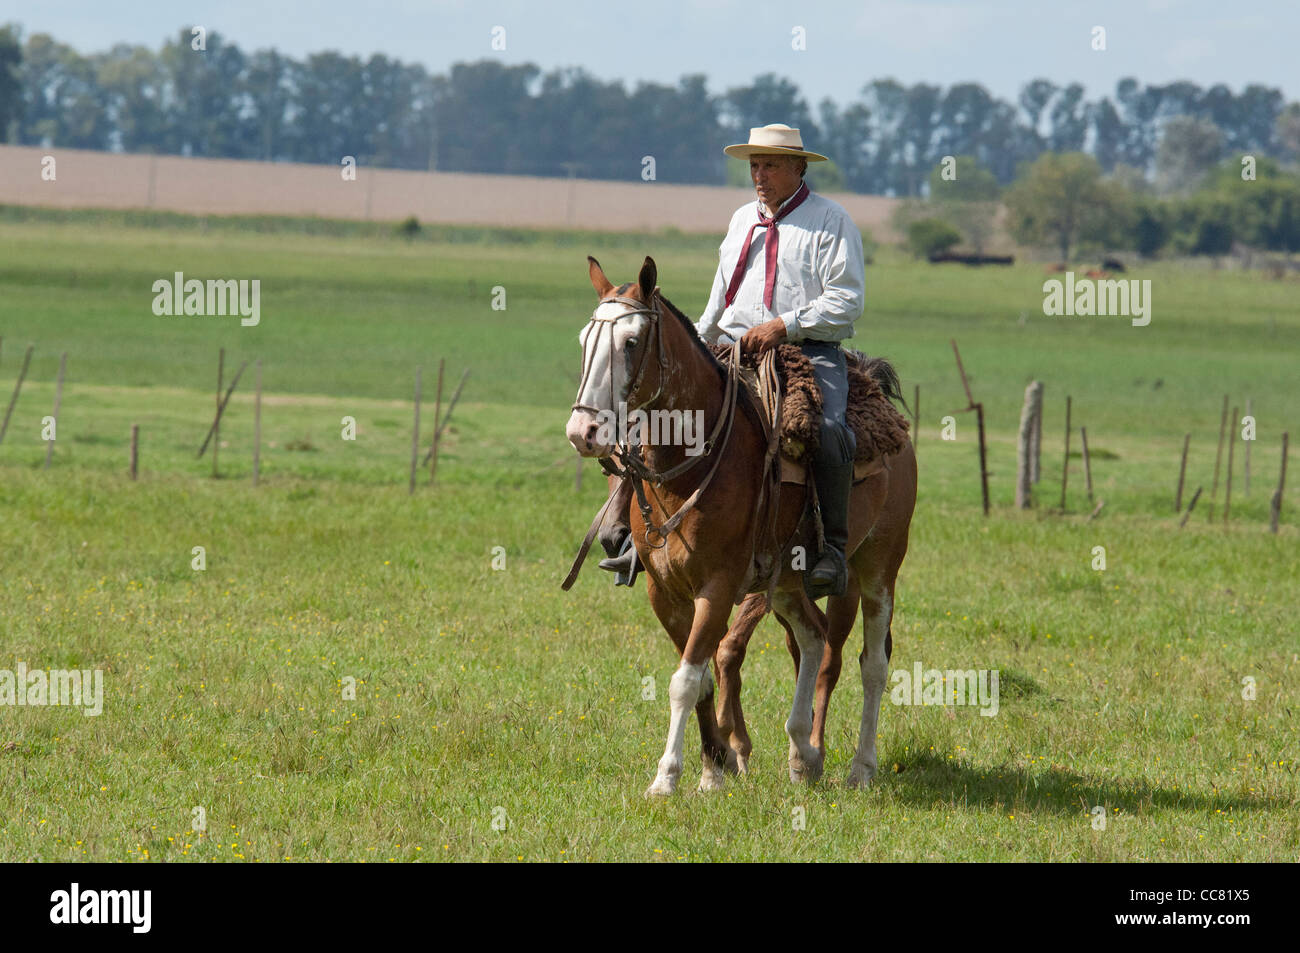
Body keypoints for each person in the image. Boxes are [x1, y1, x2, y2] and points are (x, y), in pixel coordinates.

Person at [600, 123, 865, 599]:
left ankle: (832, 550)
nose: (759, 175)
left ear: (798, 168)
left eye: (771, 165)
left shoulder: (832, 220)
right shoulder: (741, 219)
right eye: (755, 166)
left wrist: (783, 326)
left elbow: (846, 301)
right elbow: (718, 303)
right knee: (660, 421)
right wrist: (693, 349)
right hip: (733, 350)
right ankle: (640, 536)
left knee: (827, 430)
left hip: (808, 352)